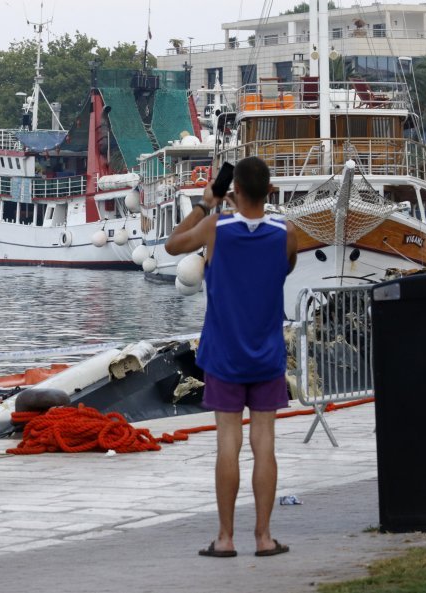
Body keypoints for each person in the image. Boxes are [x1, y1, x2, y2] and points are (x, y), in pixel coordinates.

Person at [165, 156, 298, 558]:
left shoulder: (216, 229)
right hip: (268, 353)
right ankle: (264, 537)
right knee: (265, 444)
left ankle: (225, 538)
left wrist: (207, 204)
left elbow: (172, 244)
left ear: (234, 190)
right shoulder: (285, 233)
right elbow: (285, 268)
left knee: (228, 443)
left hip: (223, 353)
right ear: (269, 191)